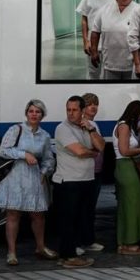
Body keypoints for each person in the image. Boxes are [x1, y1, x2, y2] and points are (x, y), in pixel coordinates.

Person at [0, 99, 56, 266]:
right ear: (26, 113)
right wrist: (24, 155)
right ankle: (12, 252)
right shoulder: (16, 129)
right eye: (31, 111)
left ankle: (40, 247)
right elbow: (3, 150)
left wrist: (44, 173)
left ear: (42, 115)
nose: (34, 114)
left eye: (38, 112)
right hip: (15, 176)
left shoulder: (45, 136)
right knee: (13, 214)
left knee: (38, 215)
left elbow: (49, 158)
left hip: (35, 178)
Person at [53, 95, 104, 268]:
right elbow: (80, 151)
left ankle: (74, 253)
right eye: (68, 110)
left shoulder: (88, 127)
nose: (71, 113)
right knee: (68, 220)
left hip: (87, 179)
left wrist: (90, 130)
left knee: (81, 218)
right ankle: (67, 256)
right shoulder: (62, 128)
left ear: (82, 111)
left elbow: (102, 146)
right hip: (69, 180)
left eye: (75, 110)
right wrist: (93, 153)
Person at [112, 100, 140, 255]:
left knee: (125, 205)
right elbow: (124, 150)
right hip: (126, 166)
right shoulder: (124, 126)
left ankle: (123, 242)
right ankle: (130, 243)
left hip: (124, 167)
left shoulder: (122, 125)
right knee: (133, 204)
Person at [89, 0, 136, 80]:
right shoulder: (105, 10)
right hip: (110, 62)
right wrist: (94, 51)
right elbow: (95, 31)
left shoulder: (138, 10)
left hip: (133, 63)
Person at [77, 0, 113, 79]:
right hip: (94, 45)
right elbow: (84, 19)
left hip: (111, 44)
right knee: (93, 74)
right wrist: (85, 41)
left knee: (110, 75)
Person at [80, 93, 105, 254]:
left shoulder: (94, 124)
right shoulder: (82, 124)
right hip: (86, 172)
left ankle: (88, 239)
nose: (93, 107)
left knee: (90, 208)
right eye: (89, 104)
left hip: (96, 171)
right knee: (84, 208)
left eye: (95, 103)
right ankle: (83, 240)